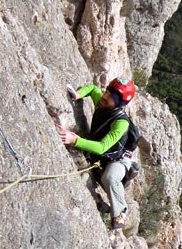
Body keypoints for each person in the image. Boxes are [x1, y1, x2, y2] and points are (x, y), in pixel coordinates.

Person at [57, 77, 137, 230]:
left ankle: (121, 211)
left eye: (110, 97)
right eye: (107, 91)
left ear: (119, 103)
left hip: (117, 160)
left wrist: (75, 140)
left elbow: (102, 147)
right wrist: (78, 94)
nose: (105, 96)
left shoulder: (121, 123)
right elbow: (93, 89)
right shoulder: (103, 104)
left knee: (109, 178)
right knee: (103, 177)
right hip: (103, 158)